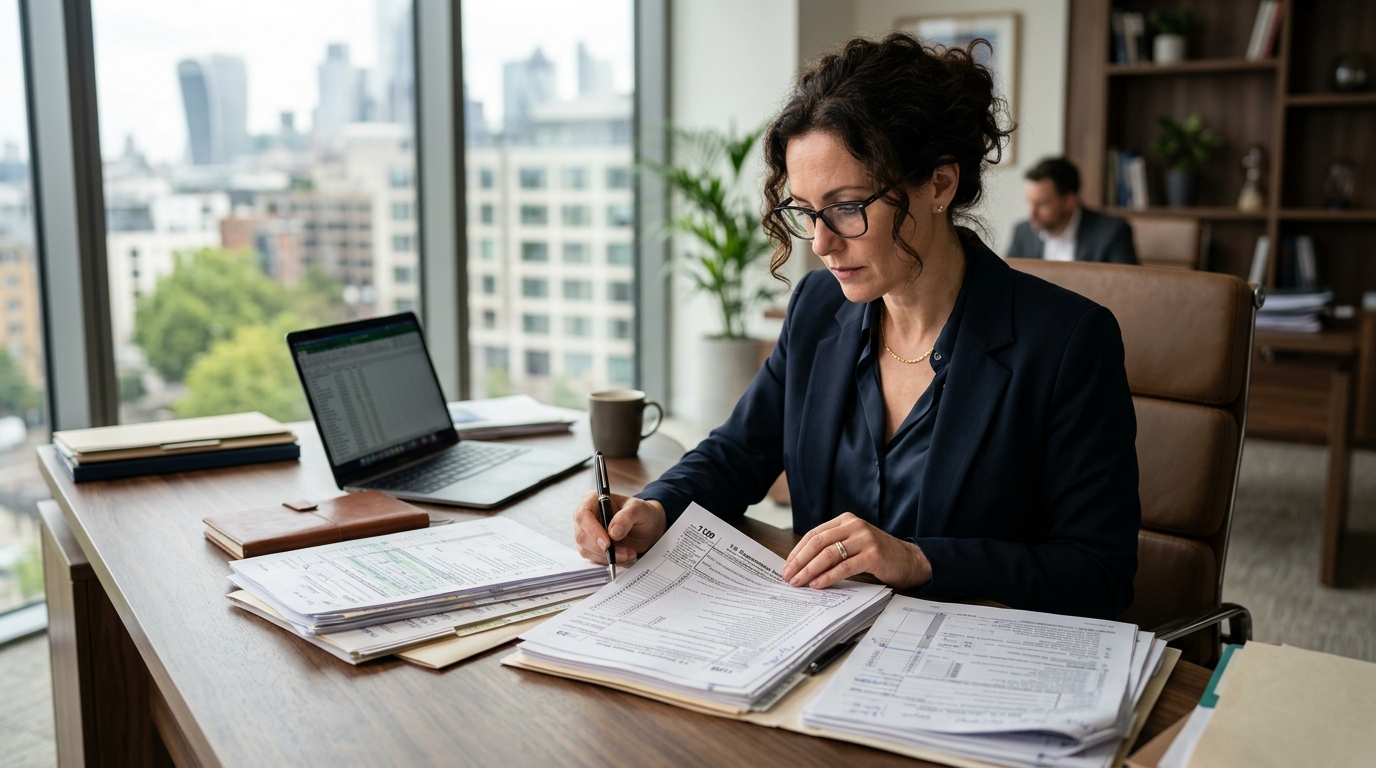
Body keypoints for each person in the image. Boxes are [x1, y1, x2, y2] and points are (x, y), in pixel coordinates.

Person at [571, 34, 1140, 620]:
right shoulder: (821, 306)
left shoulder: (1069, 341)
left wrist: (920, 559)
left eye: (846, 206)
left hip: (967, 662)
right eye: (807, 211)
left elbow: (1098, 573)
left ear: (939, 185)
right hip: (814, 644)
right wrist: (656, 507)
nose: (820, 243)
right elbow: (740, 451)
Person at [1007, 157, 1137, 264]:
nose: (1031, 212)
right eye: (1029, 202)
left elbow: (1127, 288)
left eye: (1041, 204)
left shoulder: (1112, 232)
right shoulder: (1022, 232)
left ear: (1069, 201)